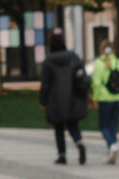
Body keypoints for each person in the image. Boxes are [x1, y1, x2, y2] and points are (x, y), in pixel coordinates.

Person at [37, 30, 90, 164]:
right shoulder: (74, 57)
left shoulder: (48, 61)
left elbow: (45, 84)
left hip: (55, 100)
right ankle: (79, 143)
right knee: (73, 126)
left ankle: (62, 155)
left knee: (58, 128)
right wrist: (84, 94)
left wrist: (43, 101)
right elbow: (81, 78)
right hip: (73, 97)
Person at [88, 41, 119, 163]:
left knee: (103, 125)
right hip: (118, 96)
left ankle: (111, 145)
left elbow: (97, 83)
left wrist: (95, 99)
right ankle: (112, 147)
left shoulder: (99, 63)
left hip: (105, 98)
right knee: (113, 125)